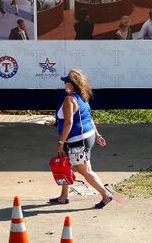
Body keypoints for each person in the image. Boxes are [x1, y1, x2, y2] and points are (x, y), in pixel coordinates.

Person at [51, 69, 112, 208]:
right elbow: (88, 118)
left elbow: (69, 123)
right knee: (66, 164)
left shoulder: (69, 99)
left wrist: (61, 142)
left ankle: (105, 194)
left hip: (77, 140)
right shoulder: (82, 97)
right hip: (85, 137)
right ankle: (63, 196)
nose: (64, 84)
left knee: (85, 171)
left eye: (66, 82)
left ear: (71, 84)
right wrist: (97, 135)